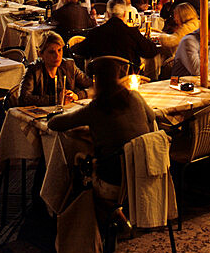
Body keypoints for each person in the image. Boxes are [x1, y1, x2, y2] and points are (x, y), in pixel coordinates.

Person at [48, 56, 156, 194]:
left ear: (96, 80)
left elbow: (55, 124)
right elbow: (152, 117)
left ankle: (75, 209)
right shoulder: (134, 96)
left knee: (75, 162)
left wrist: (53, 116)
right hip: (143, 170)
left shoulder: (97, 107)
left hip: (114, 177)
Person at [73, 0, 158, 73]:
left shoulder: (95, 33)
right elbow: (150, 51)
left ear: (108, 14)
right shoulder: (132, 32)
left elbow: (80, 51)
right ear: (124, 14)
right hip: (127, 81)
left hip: (100, 81)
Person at [18, 31, 90, 106]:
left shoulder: (69, 65)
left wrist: (77, 96)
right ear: (40, 54)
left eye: (59, 50)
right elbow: (23, 99)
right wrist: (56, 99)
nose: (57, 55)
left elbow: (93, 85)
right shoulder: (33, 70)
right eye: (52, 52)